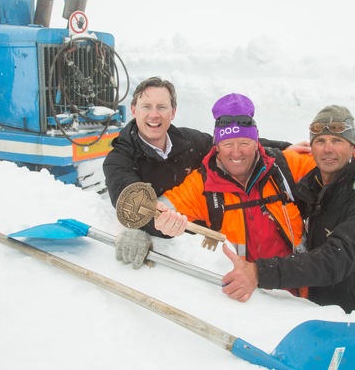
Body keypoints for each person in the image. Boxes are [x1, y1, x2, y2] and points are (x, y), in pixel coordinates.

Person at [115, 93, 355, 300]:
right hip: (246, 298)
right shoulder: (201, 184)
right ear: (217, 146)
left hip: (301, 292)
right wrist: (140, 228)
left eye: (245, 143)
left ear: (256, 142)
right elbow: (159, 209)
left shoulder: (284, 165)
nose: (237, 153)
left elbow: (332, 159)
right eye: (228, 144)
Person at [103, 78, 309, 266]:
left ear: (173, 112)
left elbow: (230, 143)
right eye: (146, 106)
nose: (154, 114)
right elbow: (129, 201)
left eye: (162, 107)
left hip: (204, 233)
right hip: (176, 236)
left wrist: (283, 148)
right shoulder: (119, 160)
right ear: (133, 110)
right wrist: (141, 228)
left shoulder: (188, 141)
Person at [221, 104, 355, 313]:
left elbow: (335, 260)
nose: (327, 148)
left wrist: (259, 272)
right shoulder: (310, 186)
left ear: (353, 148)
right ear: (310, 148)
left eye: (337, 141)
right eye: (320, 141)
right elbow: (254, 151)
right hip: (318, 310)